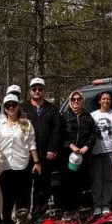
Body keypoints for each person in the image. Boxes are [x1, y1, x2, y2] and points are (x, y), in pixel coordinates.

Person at [0, 92, 38, 224]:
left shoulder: (26, 124)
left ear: (18, 106)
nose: (11, 107)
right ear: (4, 108)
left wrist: (37, 162)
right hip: (5, 167)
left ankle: (22, 222)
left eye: (13, 105)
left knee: (23, 196)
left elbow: (32, 144)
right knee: (6, 196)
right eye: (8, 105)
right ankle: (7, 222)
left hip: (22, 164)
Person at [24, 77, 64, 216]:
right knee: (25, 187)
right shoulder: (23, 109)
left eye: (40, 89)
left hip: (46, 154)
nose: (37, 91)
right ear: (30, 91)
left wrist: (52, 149)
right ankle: (22, 215)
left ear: (44, 91)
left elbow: (57, 130)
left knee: (43, 186)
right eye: (34, 89)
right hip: (26, 154)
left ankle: (39, 214)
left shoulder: (52, 109)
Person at [59, 91, 97, 214]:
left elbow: (93, 133)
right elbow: (60, 134)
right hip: (68, 153)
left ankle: (81, 206)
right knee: (68, 181)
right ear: (70, 101)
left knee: (82, 181)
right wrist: (70, 145)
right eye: (74, 99)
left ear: (82, 101)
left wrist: (86, 146)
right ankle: (68, 208)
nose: (76, 101)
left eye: (79, 99)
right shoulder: (64, 116)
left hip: (83, 153)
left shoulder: (87, 116)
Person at [89, 91, 112, 216]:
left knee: (109, 179)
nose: (106, 101)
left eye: (108, 99)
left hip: (111, 151)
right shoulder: (92, 115)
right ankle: (97, 205)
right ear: (99, 101)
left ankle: (106, 205)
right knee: (97, 180)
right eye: (103, 98)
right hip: (96, 151)